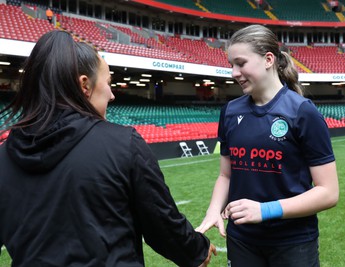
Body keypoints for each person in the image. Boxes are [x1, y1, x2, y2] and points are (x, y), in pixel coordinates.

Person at [0, 30, 216, 267]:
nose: (112, 95)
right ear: (84, 85)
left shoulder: (4, 155)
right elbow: (162, 223)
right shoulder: (123, 143)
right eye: (109, 83)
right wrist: (197, 249)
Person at [196, 24, 339, 267]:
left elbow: (328, 192)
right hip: (241, 238)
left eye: (241, 63)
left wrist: (265, 210)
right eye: (231, 64)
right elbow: (225, 175)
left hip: (293, 242)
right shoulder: (230, 111)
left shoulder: (303, 112)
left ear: (268, 59)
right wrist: (213, 211)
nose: (233, 72)